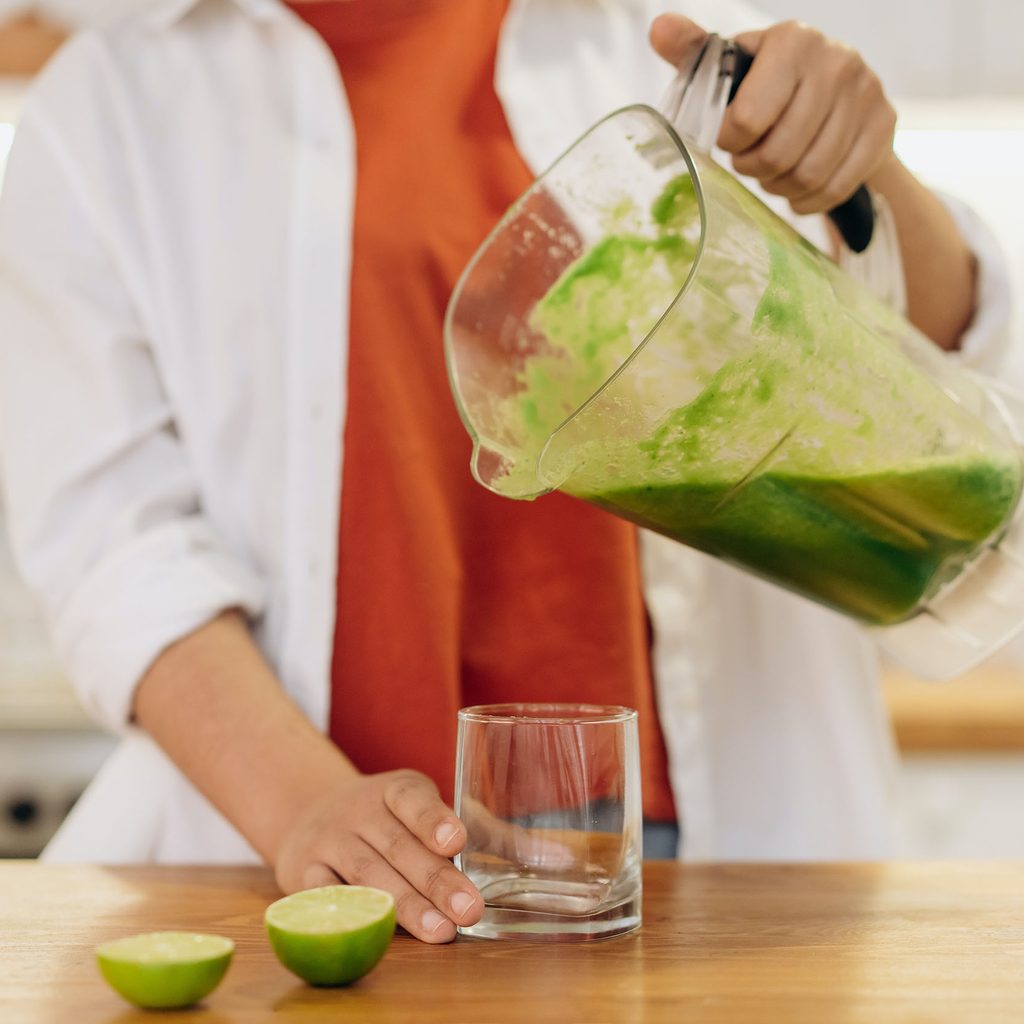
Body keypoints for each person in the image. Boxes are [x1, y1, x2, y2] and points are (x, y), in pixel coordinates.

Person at [0, 0, 1011, 944]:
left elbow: (951, 353)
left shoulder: (658, 35)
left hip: (710, 840)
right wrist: (305, 802)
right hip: (345, 869)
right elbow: (116, 548)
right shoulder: (105, 112)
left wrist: (866, 170)